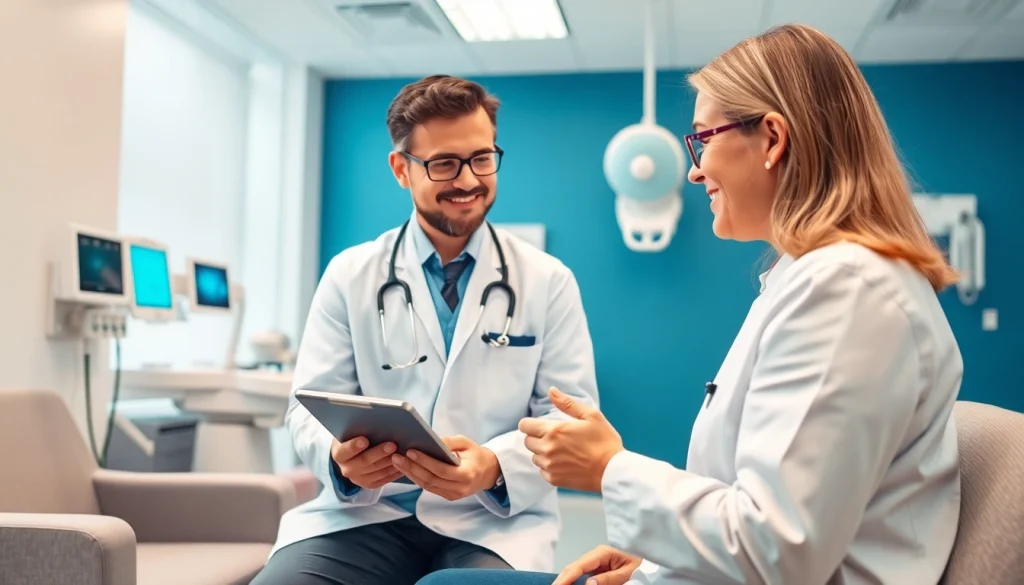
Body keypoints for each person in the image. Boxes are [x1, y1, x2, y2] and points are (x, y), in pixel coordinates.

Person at [416, 23, 963, 585]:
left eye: (703, 139)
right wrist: (654, 563)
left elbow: (781, 551)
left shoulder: (847, 292)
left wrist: (610, 467)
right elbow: (765, 510)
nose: (695, 169)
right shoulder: (815, 278)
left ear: (772, 139)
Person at [251, 75, 600, 585]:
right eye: (443, 164)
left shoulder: (548, 281)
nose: (467, 180)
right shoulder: (350, 274)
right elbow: (308, 407)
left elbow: (569, 421)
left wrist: (492, 467)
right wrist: (340, 458)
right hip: (365, 517)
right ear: (401, 169)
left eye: (481, 158)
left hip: (491, 520)